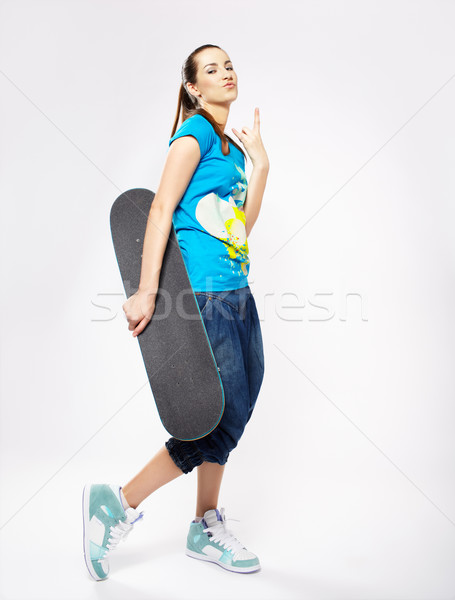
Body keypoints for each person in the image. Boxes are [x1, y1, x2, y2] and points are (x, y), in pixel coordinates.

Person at [82, 43, 270, 581]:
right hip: (205, 296)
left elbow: (241, 227)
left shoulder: (229, 150)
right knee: (223, 413)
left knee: (239, 402)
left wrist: (260, 164)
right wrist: (145, 290)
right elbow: (160, 208)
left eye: (229, 65)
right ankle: (117, 502)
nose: (225, 73)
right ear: (193, 88)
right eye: (212, 69)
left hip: (239, 290)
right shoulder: (192, 137)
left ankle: (203, 524)